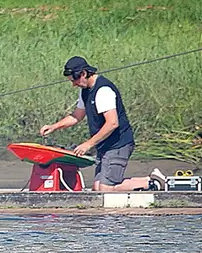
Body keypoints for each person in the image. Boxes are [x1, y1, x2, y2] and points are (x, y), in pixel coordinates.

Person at [39, 56, 166, 191]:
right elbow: (77, 116)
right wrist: (53, 126)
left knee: (105, 190)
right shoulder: (85, 91)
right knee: (97, 188)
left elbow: (112, 123)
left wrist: (88, 144)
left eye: (75, 80)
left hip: (118, 144)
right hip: (104, 145)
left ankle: (153, 183)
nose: (73, 85)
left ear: (84, 73)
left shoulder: (103, 90)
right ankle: (150, 181)